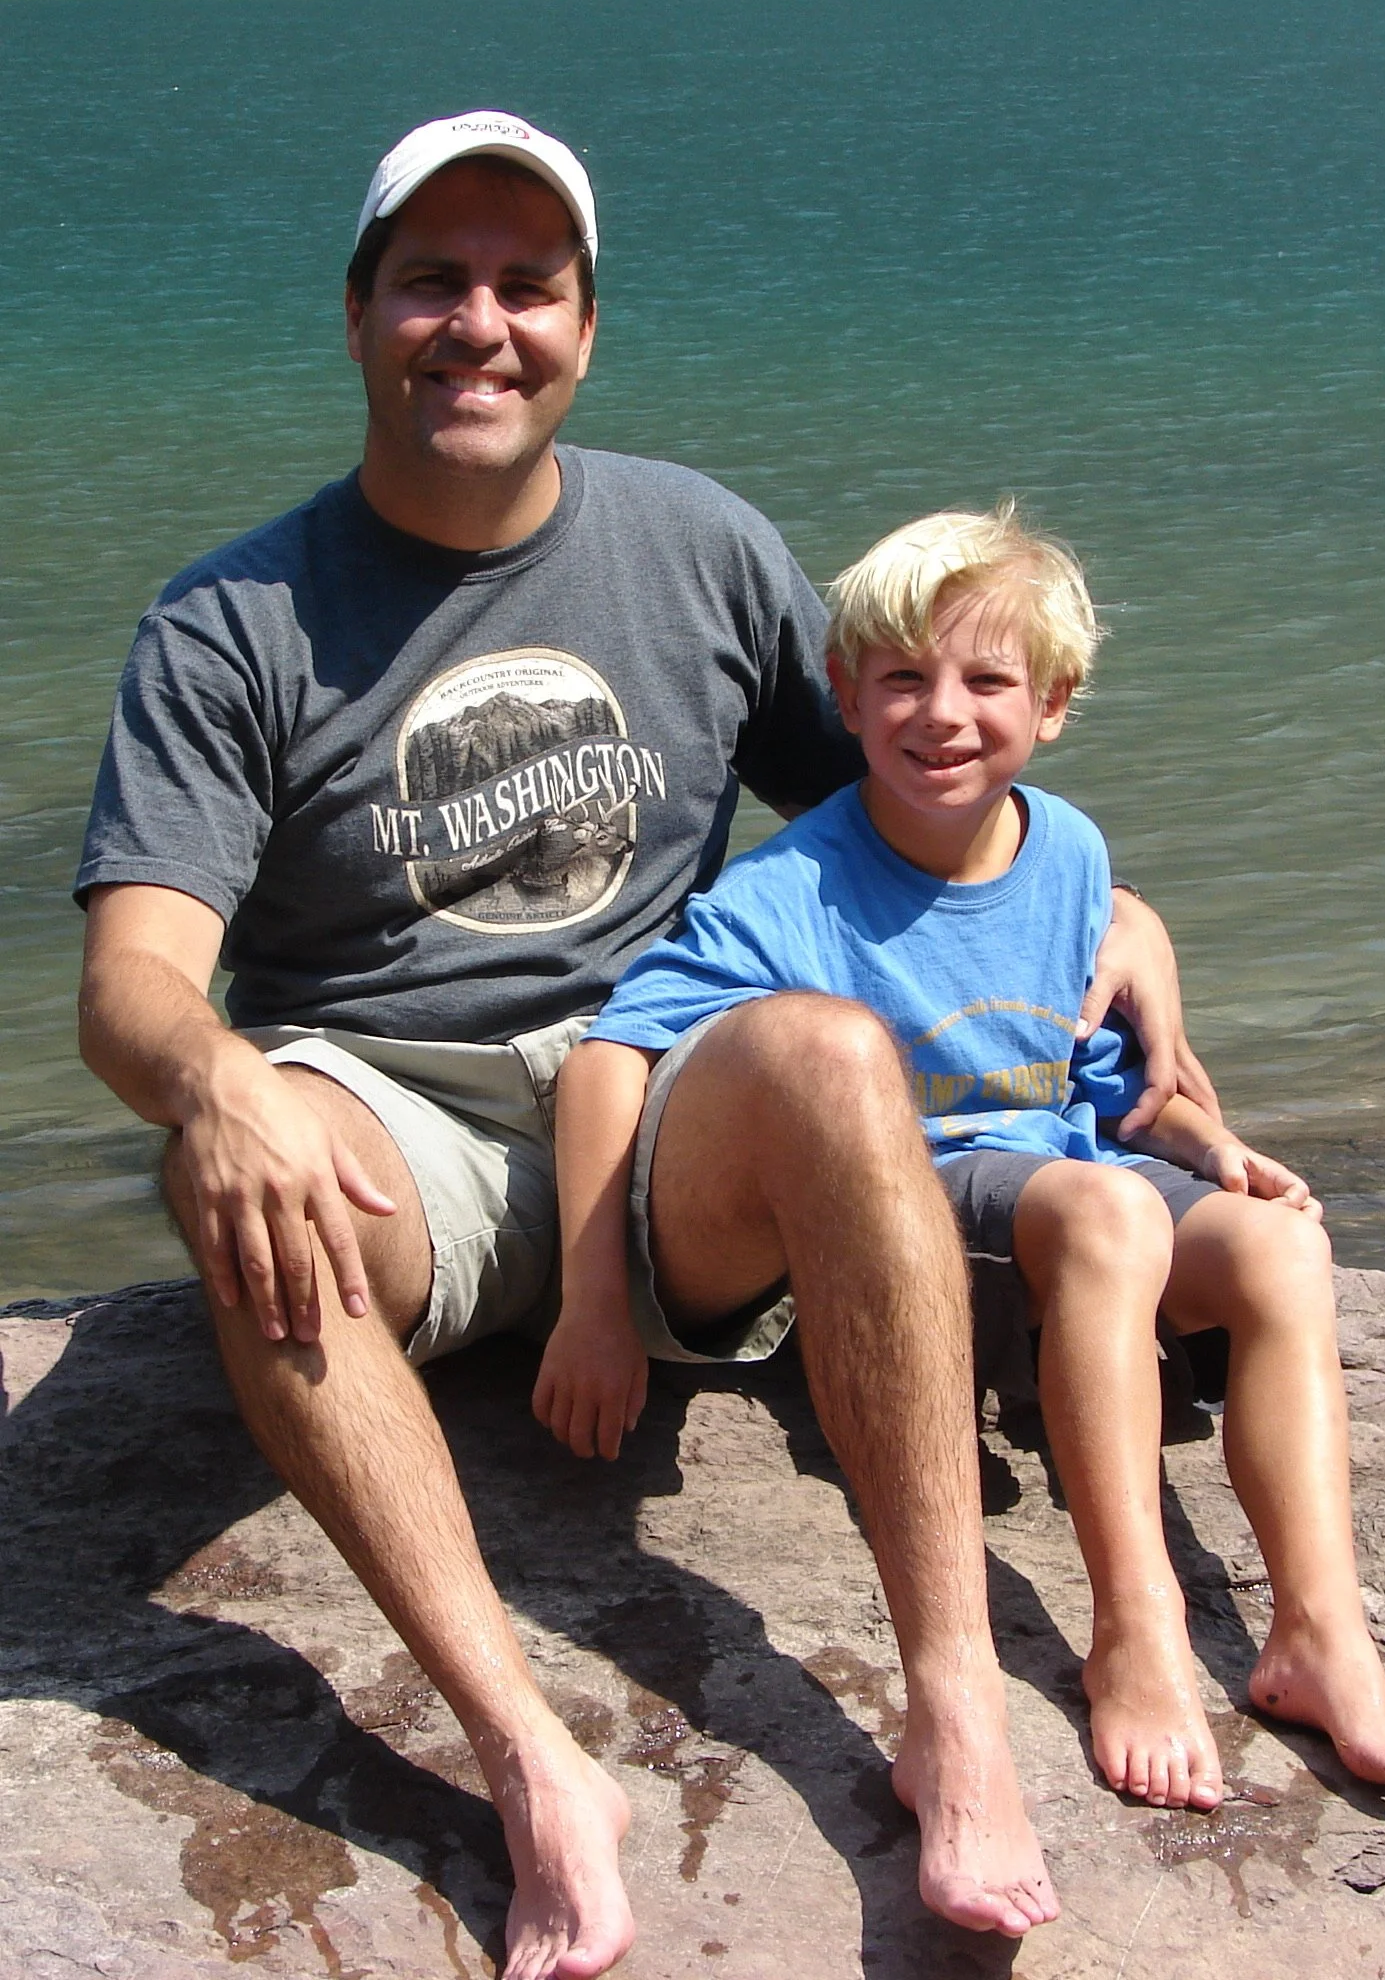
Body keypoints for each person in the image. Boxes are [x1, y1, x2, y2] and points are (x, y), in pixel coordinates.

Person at [75, 111, 1214, 1978]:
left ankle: (950, 1707)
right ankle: (534, 1763)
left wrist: (1124, 919)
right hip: (403, 1128)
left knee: (831, 1049)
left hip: (662, 1105)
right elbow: (134, 980)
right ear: (357, 316)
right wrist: (215, 1082)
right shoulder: (231, 624)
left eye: (527, 286)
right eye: (432, 281)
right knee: (239, 1164)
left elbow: (928, 807)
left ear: (585, 331)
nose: (480, 324)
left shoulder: (697, 545)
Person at [553, 502, 1385, 1821]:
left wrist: (1209, 1141)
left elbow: (1093, 1076)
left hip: (1061, 1188)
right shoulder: (794, 889)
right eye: (902, 679)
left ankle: (1321, 1635)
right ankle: (1136, 1625)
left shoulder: (1071, 853)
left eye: (987, 681)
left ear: (1054, 704)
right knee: (1106, 1216)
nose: (943, 714)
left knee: (1281, 1246)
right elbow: (610, 1051)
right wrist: (593, 1303)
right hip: (920, 1234)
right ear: (844, 695)